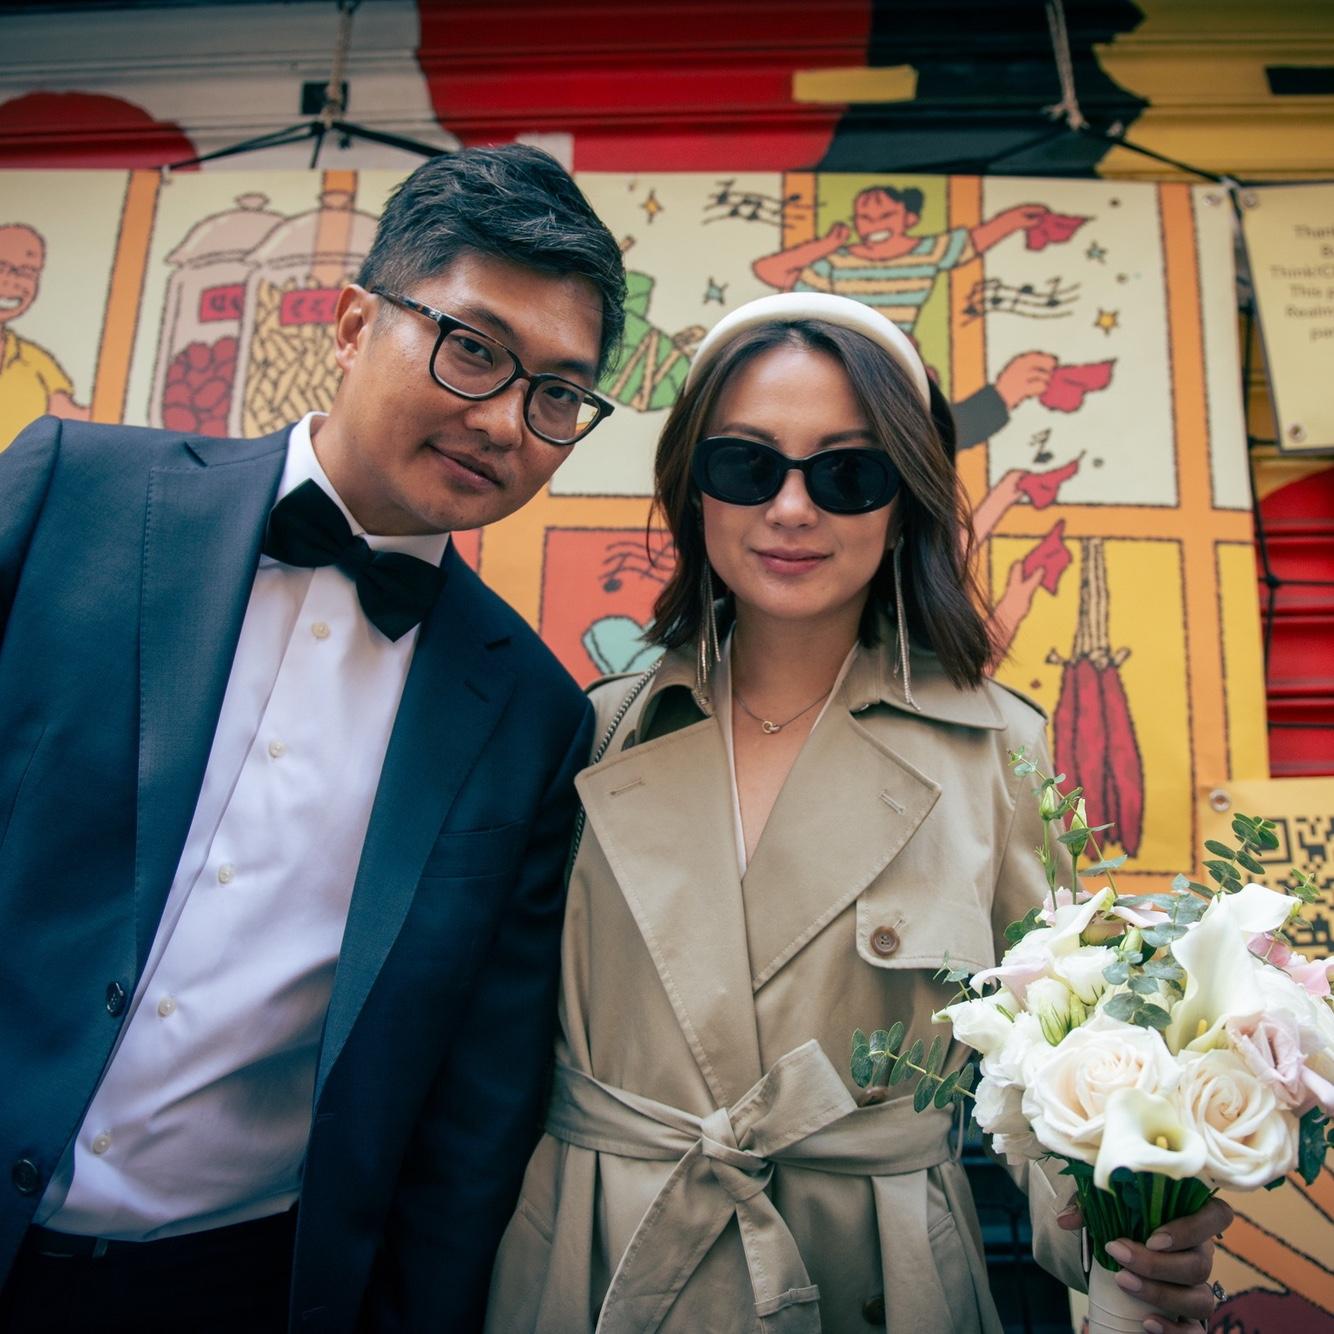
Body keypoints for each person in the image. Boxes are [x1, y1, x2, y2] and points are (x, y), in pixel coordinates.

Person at [485, 291, 1231, 1333]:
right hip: (596, 1256)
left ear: (903, 502)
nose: (792, 508)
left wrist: (1129, 1239)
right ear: (694, 490)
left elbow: (1053, 1070)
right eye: (746, 464)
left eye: (847, 473)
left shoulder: (997, 751)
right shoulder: (598, 731)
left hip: (882, 1270)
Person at [0, 144, 625, 1334]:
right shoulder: (75, 493)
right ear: (349, 325)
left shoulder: (533, 715)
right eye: (473, 347)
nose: (505, 420)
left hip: (242, 1285)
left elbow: (473, 1106)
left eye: (556, 393)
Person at [751, 185, 1050, 336]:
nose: (875, 225)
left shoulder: (927, 251)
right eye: (865, 218)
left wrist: (1015, 219)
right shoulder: (835, 262)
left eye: (886, 216)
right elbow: (768, 270)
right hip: (848, 356)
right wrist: (827, 244)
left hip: (901, 355)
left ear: (910, 218)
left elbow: (974, 241)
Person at [0, 222, 90, 451]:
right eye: (1, 266)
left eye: (26, 272)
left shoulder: (36, 361)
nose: (10, 281)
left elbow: (75, 421)